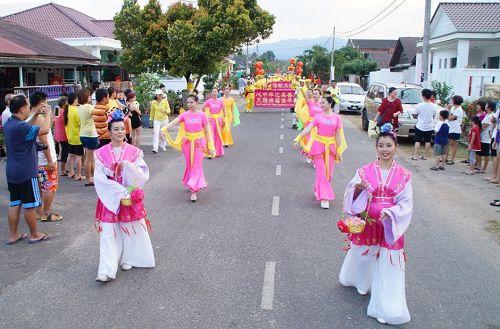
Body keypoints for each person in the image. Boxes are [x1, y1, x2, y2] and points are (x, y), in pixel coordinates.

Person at [339, 123, 412, 325]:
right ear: (376, 148)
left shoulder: (404, 175)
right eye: (381, 145)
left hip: (390, 224)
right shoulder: (364, 171)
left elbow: (406, 203)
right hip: (370, 221)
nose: (385, 149)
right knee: (364, 253)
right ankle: (361, 280)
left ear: (395, 147)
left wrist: (391, 213)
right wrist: (358, 190)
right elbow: (350, 192)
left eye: (389, 145)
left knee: (389, 265)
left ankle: (387, 307)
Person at [94, 110, 155, 282]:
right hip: (109, 197)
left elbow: (143, 173)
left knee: (132, 227)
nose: (120, 132)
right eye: (116, 129)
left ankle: (130, 258)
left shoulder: (134, 152)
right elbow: (99, 179)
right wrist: (117, 192)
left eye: (122, 129)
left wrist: (128, 167)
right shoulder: (101, 153)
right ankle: (106, 269)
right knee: (108, 232)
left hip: (128, 195)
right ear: (110, 131)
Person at [4, 95, 52, 244]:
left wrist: (36, 113)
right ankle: (34, 234)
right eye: (28, 106)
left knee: (15, 203)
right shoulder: (20, 127)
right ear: (22, 108)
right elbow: (44, 130)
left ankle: (13, 235)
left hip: (12, 171)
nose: (29, 108)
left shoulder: (9, 123)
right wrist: (48, 113)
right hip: (26, 171)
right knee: (30, 204)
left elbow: (27, 125)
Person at [293, 96, 347, 209]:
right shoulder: (318, 117)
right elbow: (308, 129)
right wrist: (298, 138)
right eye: (320, 103)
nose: (321, 105)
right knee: (321, 171)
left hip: (331, 148)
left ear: (330, 103)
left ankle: (318, 189)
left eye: (323, 103)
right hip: (318, 148)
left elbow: (338, 135)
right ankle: (325, 198)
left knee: (329, 174)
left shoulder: (337, 118)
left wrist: (339, 150)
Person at [161, 95, 216, 202]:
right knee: (190, 165)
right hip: (187, 143)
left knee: (196, 165)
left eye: (192, 102)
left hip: (198, 143)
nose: (189, 104)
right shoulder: (184, 115)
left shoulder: (203, 115)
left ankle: (194, 190)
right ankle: (191, 181)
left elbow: (208, 131)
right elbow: (173, 122)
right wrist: (163, 129)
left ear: (197, 103)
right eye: (188, 102)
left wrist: (211, 146)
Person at [28, 92, 63, 222]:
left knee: (40, 187)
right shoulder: (39, 119)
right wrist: (50, 161)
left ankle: (39, 212)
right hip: (44, 159)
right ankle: (46, 213)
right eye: (46, 102)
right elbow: (44, 141)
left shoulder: (30, 117)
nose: (47, 105)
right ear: (42, 103)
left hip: (36, 159)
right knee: (50, 186)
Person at [79, 88, 99, 186]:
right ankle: (88, 179)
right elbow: (98, 113)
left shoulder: (80, 107)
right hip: (90, 134)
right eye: (89, 96)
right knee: (90, 158)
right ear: (86, 97)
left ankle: (93, 177)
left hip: (83, 134)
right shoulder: (88, 107)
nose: (91, 97)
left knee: (90, 157)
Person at [411, 89, 436, 160]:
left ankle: (415, 155)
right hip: (429, 126)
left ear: (423, 96)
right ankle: (425, 156)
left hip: (420, 125)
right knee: (428, 141)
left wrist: (418, 116)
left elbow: (414, 115)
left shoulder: (419, 105)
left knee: (417, 140)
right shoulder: (434, 106)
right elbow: (433, 115)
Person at [65, 93, 84, 181]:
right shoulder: (76, 110)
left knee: (70, 155)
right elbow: (80, 123)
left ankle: (71, 172)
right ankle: (78, 174)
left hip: (69, 136)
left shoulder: (67, 109)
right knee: (78, 156)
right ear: (74, 100)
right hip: (77, 136)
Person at [203, 88, 226, 157]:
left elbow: (224, 111)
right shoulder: (208, 101)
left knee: (218, 136)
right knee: (211, 136)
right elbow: (203, 107)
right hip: (211, 120)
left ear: (218, 93)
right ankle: (210, 152)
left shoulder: (221, 101)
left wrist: (224, 119)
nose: (214, 93)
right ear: (211, 93)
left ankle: (218, 151)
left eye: (215, 92)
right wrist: (204, 115)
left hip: (218, 120)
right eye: (213, 92)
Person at [445, 95, 465, 165]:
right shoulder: (453, 108)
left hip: (455, 129)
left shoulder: (459, 109)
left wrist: (447, 110)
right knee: (447, 143)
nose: (451, 101)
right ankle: (446, 157)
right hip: (450, 128)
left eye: (452, 100)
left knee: (453, 144)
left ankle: (452, 159)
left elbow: (450, 117)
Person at [150, 89, 171, 153]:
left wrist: (165, 111)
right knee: (156, 133)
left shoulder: (165, 101)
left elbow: (169, 110)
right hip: (156, 119)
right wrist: (151, 119)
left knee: (163, 133)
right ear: (156, 95)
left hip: (164, 119)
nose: (160, 95)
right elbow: (152, 111)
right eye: (159, 94)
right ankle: (155, 147)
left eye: (161, 94)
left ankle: (163, 145)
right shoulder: (153, 102)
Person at [54, 96, 69, 177]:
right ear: (64, 103)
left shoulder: (57, 110)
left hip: (57, 132)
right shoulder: (64, 112)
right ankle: (63, 170)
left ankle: (63, 168)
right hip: (64, 133)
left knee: (63, 150)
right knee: (65, 151)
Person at [478, 102, 494, 173]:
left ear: (490, 107)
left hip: (486, 138)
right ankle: (479, 166)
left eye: (487, 105)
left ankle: (484, 168)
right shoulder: (487, 115)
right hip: (483, 137)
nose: (485, 106)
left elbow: (483, 127)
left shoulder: (491, 116)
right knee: (481, 152)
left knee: (486, 153)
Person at [487, 102, 500, 184]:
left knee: (497, 158)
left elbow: (493, 121)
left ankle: (497, 177)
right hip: (497, 136)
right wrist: (495, 140)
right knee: (497, 158)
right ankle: (497, 177)